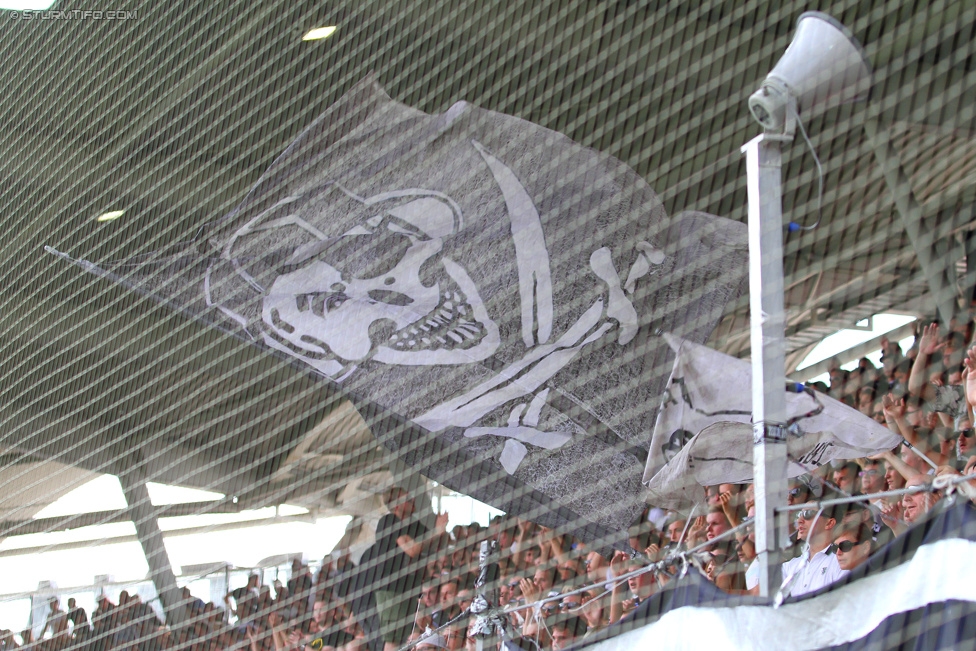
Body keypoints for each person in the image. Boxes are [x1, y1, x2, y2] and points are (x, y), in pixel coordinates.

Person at [780, 505, 848, 598]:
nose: (799, 520)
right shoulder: (789, 566)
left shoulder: (841, 562)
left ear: (829, 523)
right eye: (800, 514)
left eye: (808, 514)